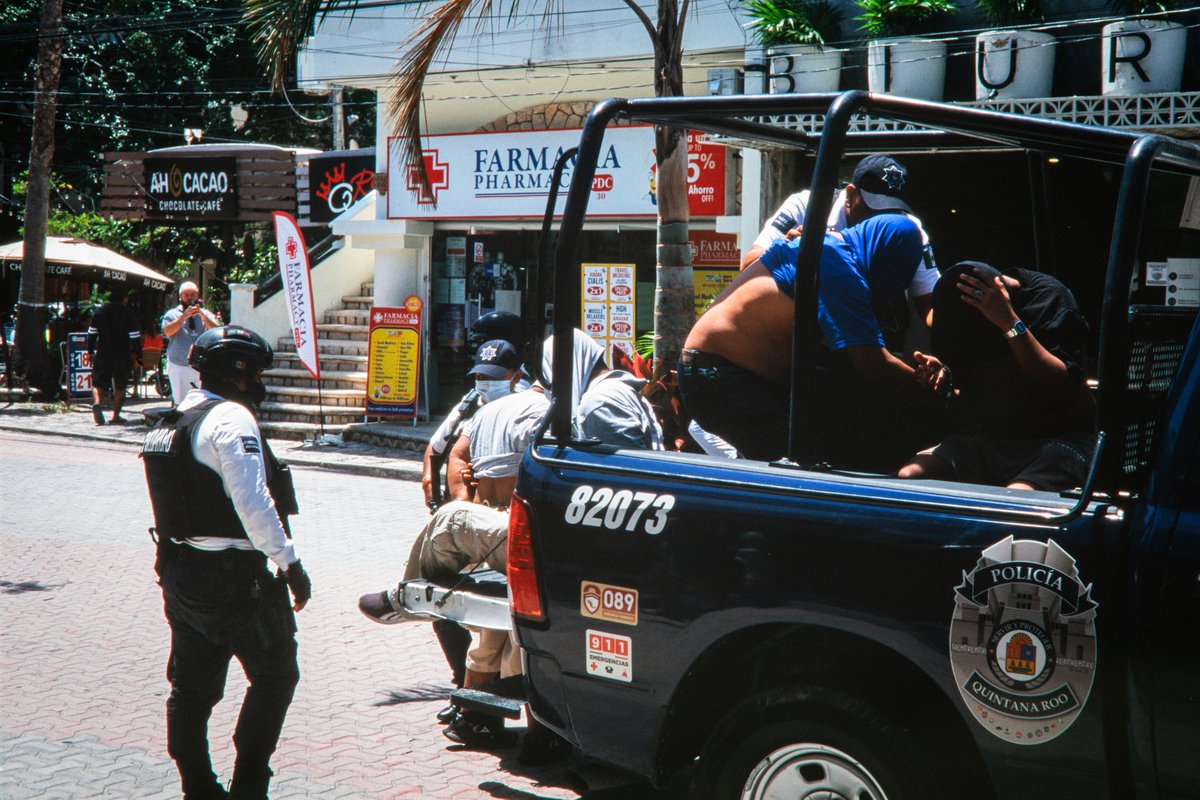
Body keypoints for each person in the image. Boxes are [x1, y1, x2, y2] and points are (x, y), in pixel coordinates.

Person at [141, 325, 312, 800]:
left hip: (181, 574)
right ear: (239, 373)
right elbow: (254, 502)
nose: (258, 384)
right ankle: (250, 785)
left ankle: (197, 787)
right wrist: (290, 563)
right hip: (234, 581)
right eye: (255, 374)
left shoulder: (175, 417)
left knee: (191, 690)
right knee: (276, 675)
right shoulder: (231, 418)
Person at [678, 214, 935, 464]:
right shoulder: (839, 268)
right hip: (718, 375)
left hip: (719, 372)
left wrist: (919, 373)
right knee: (797, 466)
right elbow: (873, 364)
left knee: (817, 447)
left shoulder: (829, 248)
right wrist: (943, 397)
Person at [899, 261, 1096, 491]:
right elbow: (966, 385)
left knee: (1018, 496)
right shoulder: (957, 308)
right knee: (911, 476)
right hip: (990, 439)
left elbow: (1060, 383)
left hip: (1056, 439)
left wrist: (1008, 322)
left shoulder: (1049, 298)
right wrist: (943, 375)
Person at [741, 153, 939, 345]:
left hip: (870, 332)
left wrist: (962, 313)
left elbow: (929, 305)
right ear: (851, 195)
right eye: (875, 208)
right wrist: (789, 250)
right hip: (799, 338)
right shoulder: (806, 207)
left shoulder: (908, 228)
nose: (882, 221)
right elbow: (748, 266)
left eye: (892, 211)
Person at [88, 289, 142, 425]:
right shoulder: (128, 313)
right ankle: (116, 415)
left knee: (98, 383)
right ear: (124, 299)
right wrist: (137, 356)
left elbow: (92, 333)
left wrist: (90, 351)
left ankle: (97, 403)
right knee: (121, 386)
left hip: (103, 352)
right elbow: (135, 336)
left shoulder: (99, 312)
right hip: (122, 353)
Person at [162, 281, 220, 405]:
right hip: (179, 365)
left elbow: (216, 330)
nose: (190, 298)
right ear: (180, 297)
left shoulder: (205, 314)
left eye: (193, 294)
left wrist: (203, 316)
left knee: (202, 403)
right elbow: (167, 332)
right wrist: (183, 317)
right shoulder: (172, 314)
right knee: (181, 403)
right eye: (186, 295)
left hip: (200, 366)